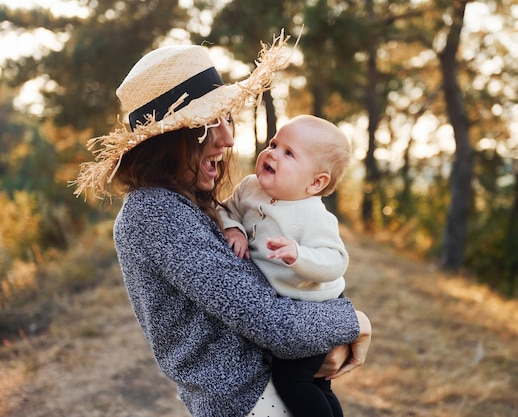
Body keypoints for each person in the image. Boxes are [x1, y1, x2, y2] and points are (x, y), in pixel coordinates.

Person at [73, 32, 371, 417]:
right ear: (171, 139)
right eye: (210, 123)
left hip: (269, 390)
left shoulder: (185, 202)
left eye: (226, 118)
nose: (229, 138)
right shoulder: (155, 212)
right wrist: (354, 321)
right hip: (252, 402)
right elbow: (271, 322)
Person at [219, 115, 352, 417]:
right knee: (318, 385)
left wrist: (299, 255)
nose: (272, 153)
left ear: (315, 183)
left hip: (319, 310)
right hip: (289, 311)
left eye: (288, 153)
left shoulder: (313, 215)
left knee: (292, 379)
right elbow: (223, 209)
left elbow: (336, 261)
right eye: (274, 144)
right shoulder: (249, 188)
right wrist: (233, 229)